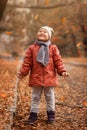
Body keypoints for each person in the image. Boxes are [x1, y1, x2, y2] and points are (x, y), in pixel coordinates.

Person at [18, 26, 68, 124]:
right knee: (35, 97)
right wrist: (22, 73)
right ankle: (33, 115)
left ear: (49, 36)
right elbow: (27, 62)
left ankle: (51, 115)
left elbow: (58, 61)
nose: (41, 32)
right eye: (40, 31)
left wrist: (62, 71)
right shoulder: (32, 48)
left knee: (50, 97)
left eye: (44, 32)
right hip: (36, 78)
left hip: (50, 78)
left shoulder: (53, 48)